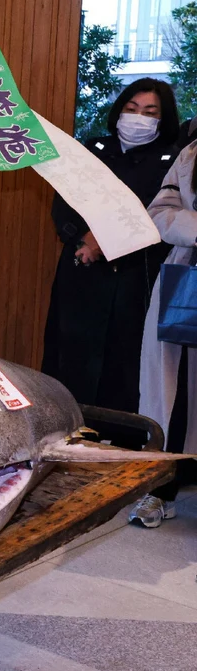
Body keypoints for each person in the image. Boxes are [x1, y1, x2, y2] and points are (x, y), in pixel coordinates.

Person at [42, 79, 178, 416]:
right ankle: (66, 423)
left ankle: (119, 435)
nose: (138, 117)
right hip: (82, 267)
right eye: (132, 109)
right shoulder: (93, 149)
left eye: (150, 112)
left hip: (135, 275)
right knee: (71, 351)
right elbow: (64, 202)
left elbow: (156, 214)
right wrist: (83, 239)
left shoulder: (172, 161)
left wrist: (107, 241)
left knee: (124, 361)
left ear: (163, 119)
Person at [135, 136, 197, 529]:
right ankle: (161, 490)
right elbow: (159, 211)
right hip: (188, 280)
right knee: (176, 391)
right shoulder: (191, 153)